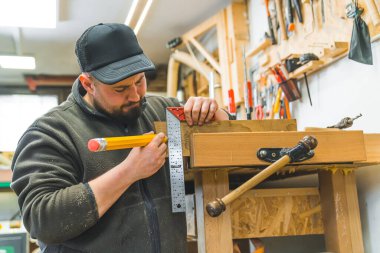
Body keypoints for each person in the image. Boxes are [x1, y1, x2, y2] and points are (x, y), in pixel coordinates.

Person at [11, 23, 229, 253]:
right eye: (120, 88)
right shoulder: (51, 133)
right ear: (88, 84)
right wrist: (129, 172)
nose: (135, 95)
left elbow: (230, 146)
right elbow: (42, 220)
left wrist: (216, 114)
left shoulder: (164, 110)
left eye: (139, 81)